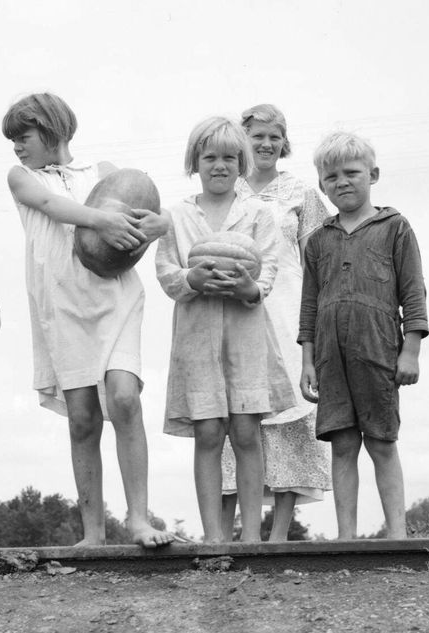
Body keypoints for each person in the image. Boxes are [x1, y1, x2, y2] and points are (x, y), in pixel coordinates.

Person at [2, 92, 173, 548]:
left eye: (24, 136)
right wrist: (101, 221)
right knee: (81, 418)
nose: (17, 147)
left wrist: (160, 223)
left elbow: (148, 214)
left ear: (53, 127)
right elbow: (53, 207)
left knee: (124, 398)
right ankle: (93, 533)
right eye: (13, 140)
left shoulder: (104, 173)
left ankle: (139, 519)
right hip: (63, 305)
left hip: (115, 297)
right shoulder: (21, 177)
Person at [155, 116, 295, 543]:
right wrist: (190, 281)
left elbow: (268, 268)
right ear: (194, 161)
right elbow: (166, 271)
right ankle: (214, 538)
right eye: (210, 157)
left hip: (247, 336)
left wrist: (250, 286)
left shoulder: (258, 214)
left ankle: (252, 537)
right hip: (196, 338)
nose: (220, 165)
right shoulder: (176, 217)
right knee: (209, 433)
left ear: (242, 163)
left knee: (247, 431)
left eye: (230, 158)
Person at [299, 132, 427, 540]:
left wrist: (411, 352)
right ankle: (347, 539)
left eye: (351, 172)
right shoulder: (318, 240)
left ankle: (398, 536)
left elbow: (413, 292)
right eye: (331, 176)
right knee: (342, 445)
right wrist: (307, 361)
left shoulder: (395, 227)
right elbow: (309, 305)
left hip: (379, 353)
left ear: (372, 174)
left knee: (382, 443)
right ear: (322, 185)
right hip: (330, 360)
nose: (342, 181)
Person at [219, 105, 332, 541]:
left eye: (275, 136)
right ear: (241, 141)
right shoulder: (229, 190)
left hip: (288, 317)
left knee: (291, 418)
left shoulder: (301, 194)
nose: (266, 144)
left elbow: (318, 262)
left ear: (286, 142)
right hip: (238, 315)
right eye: (257, 136)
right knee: (234, 422)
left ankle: (279, 536)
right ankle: (226, 534)